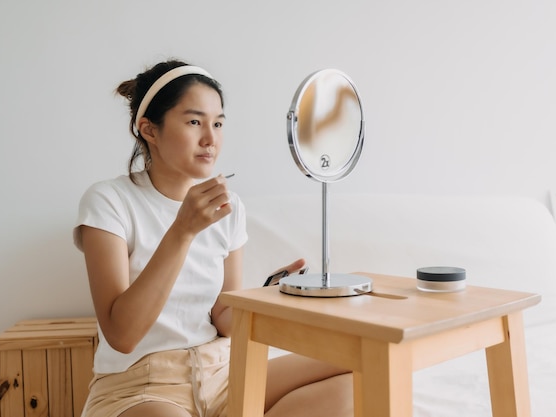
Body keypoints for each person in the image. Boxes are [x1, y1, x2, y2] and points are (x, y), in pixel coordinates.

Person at [73, 59, 352, 417]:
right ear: (149, 130)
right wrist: (182, 230)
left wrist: (269, 298)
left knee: (350, 373)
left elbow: (223, 316)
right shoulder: (109, 201)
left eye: (218, 123)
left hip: (222, 372)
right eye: (194, 122)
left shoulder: (229, 207)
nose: (211, 138)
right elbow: (122, 335)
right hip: (141, 385)